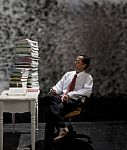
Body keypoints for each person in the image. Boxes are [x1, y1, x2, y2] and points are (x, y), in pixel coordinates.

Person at [39, 54, 93, 150]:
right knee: (48, 98)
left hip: (74, 101)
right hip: (61, 98)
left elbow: (87, 91)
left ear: (84, 65)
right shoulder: (68, 74)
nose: (75, 62)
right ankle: (62, 127)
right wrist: (54, 90)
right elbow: (59, 86)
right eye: (75, 60)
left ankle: (48, 146)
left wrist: (71, 95)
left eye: (78, 61)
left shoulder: (88, 77)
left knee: (50, 114)